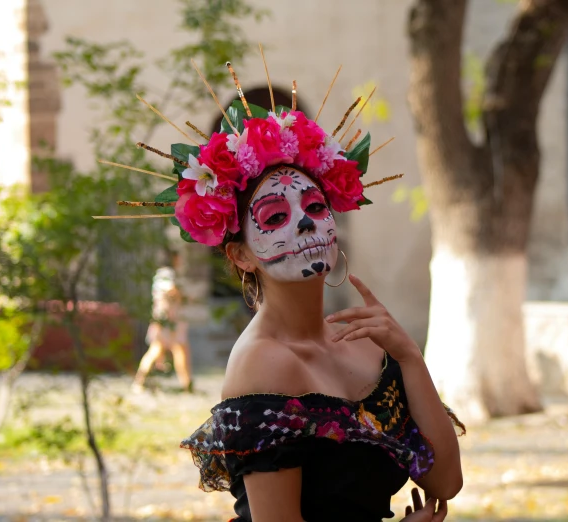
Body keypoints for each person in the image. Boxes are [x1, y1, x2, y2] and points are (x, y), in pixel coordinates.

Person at [115, 61, 465, 521]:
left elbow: (444, 482)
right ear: (241, 254)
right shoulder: (263, 363)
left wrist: (409, 357)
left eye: (316, 205)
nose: (305, 222)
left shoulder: (367, 344)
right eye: (276, 216)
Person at [132, 251, 192, 393]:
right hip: (166, 320)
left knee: (177, 350)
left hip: (172, 320)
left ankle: (187, 384)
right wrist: (182, 295)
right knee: (161, 350)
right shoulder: (165, 274)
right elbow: (170, 291)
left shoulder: (170, 274)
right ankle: (139, 382)